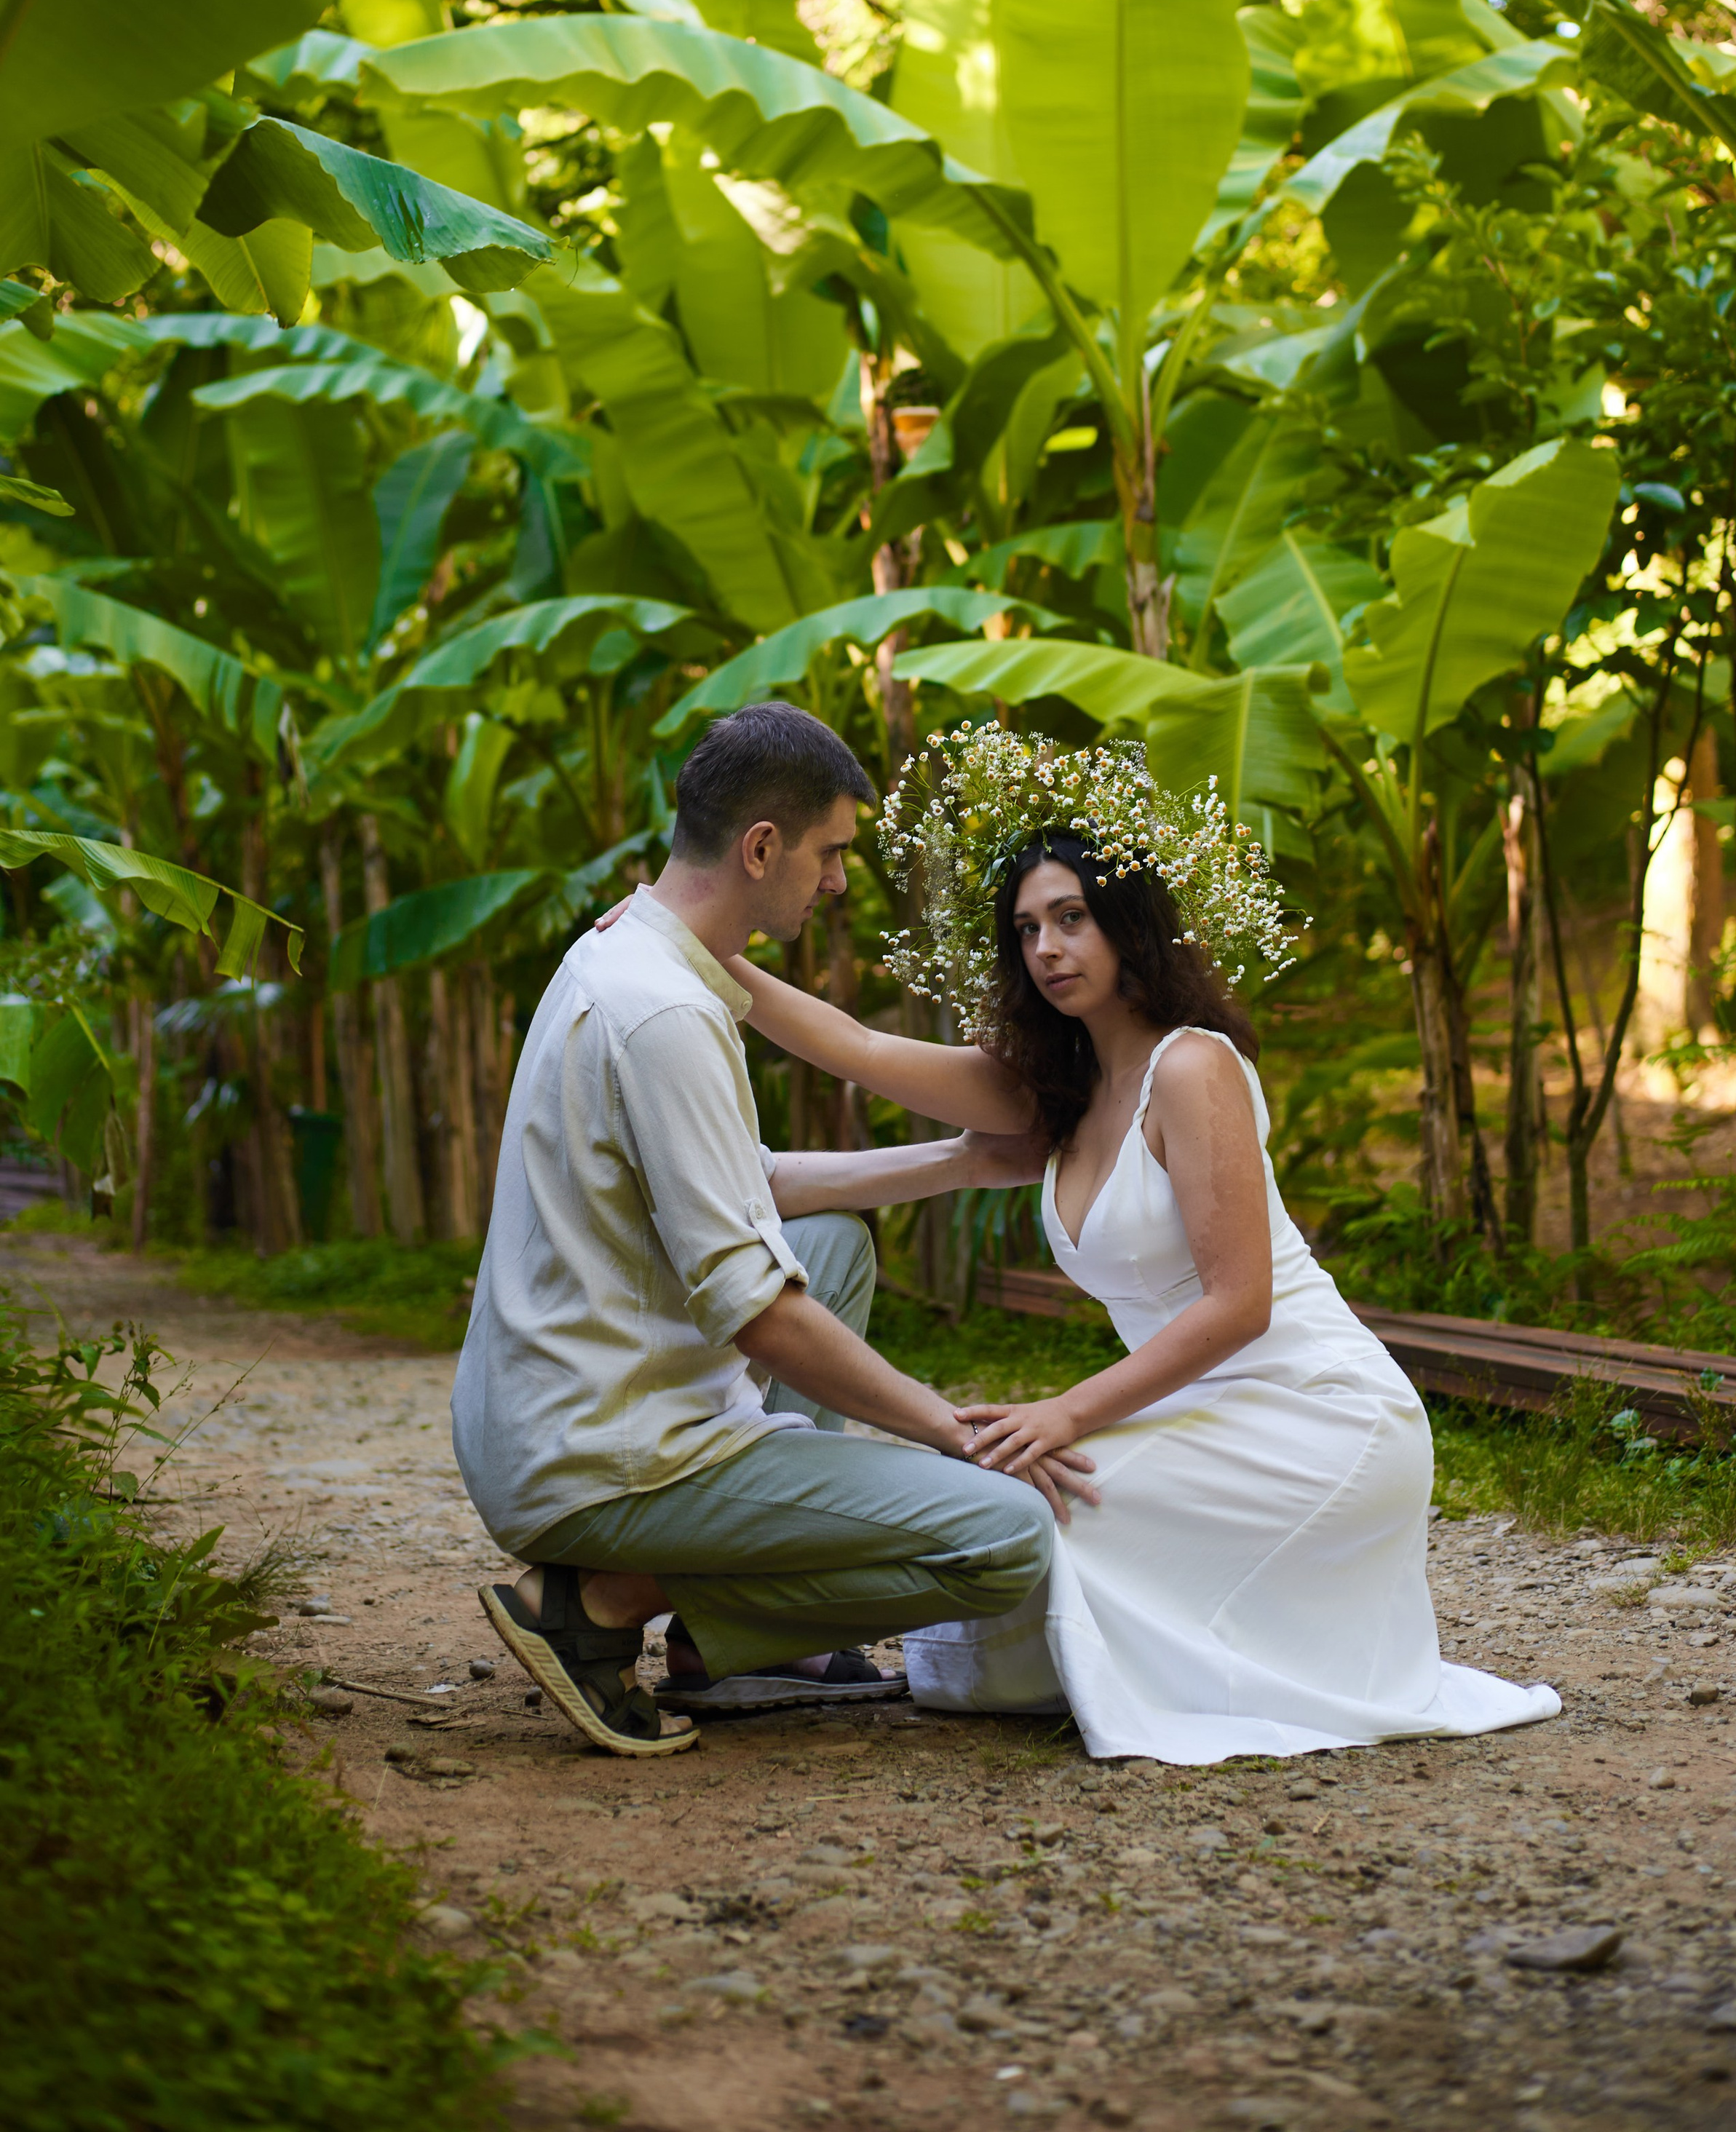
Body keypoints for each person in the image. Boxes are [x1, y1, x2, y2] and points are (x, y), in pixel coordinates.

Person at [724, 723, 1562, 1766]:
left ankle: (738, 1633)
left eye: (1072, 918)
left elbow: (1238, 1304)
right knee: (1000, 1537)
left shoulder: (1191, 1067)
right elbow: (859, 1048)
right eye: (1028, 929)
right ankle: (743, 1633)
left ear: (1126, 922)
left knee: (1019, 1511)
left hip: (1318, 1416)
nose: (1049, 949)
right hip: (1198, 1411)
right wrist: (699, 949)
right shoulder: (1060, 1090)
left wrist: (1065, 1409)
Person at [457, 701, 1093, 1757]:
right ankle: (607, 1605)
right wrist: (959, 1436)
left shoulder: (632, 961)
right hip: (598, 1458)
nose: (838, 879)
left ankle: (722, 1643)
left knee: (835, 1242)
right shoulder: (664, 1014)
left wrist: (965, 1161)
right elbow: (761, 1316)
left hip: (546, 1415)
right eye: (830, 852)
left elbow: (742, 1181)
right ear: (762, 848)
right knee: (1007, 1534)